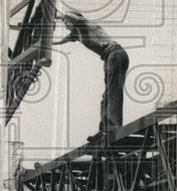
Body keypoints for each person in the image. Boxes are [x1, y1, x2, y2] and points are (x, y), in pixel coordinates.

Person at [55, 9, 130, 143]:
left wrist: (59, 15)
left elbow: (73, 17)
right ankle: (104, 129)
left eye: (66, 22)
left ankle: (113, 128)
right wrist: (42, 41)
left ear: (73, 19)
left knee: (113, 93)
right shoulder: (75, 34)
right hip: (110, 57)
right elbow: (59, 42)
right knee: (106, 96)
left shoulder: (84, 24)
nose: (65, 25)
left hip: (115, 54)